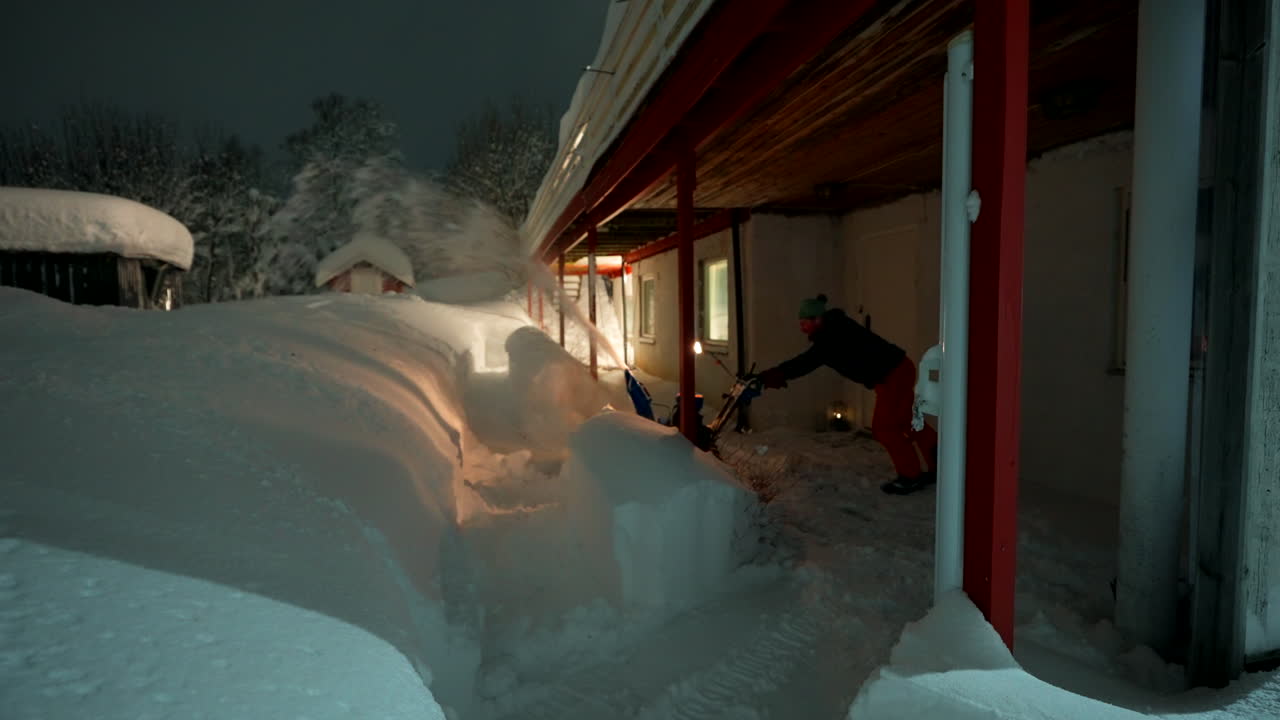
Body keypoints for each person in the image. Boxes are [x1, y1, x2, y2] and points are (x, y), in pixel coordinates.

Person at [758, 294, 938, 495]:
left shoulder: (832, 335)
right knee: (906, 420)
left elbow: (806, 362)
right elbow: (809, 359)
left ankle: (910, 476)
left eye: (804, 322)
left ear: (817, 319)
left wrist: (774, 375)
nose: (802, 328)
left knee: (885, 428)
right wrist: (775, 375)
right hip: (897, 370)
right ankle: (939, 464)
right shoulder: (833, 329)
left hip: (893, 375)